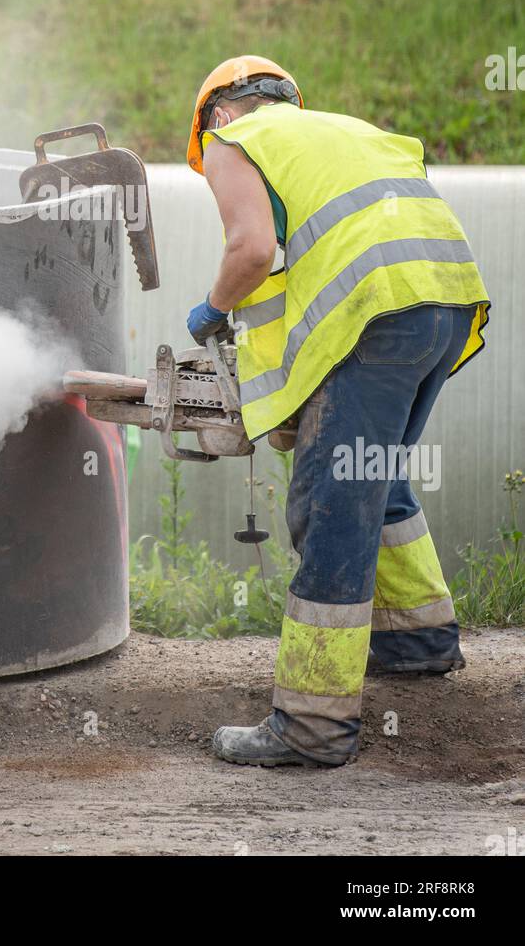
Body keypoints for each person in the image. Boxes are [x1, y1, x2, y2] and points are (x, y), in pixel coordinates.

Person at [185, 55, 490, 767]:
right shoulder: (352, 131)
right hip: (444, 307)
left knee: (329, 506)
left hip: (379, 320)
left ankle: (311, 726)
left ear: (217, 115)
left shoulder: (237, 140)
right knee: (371, 477)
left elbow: (252, 248)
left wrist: (213, 308)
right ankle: (416, 641)